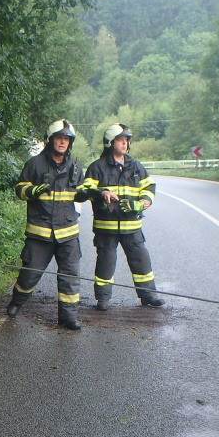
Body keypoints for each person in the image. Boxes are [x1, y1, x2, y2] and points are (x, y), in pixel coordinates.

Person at [6, 119, 86, 330]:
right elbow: (20, 189)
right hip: (40, 233)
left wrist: (88, 194)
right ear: (50, 140)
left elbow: (79, 193)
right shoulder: (34, 164)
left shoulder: (75, 166)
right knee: (30, 274)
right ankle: (17, 302)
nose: (63, 142)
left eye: (66, 139)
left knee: (70, 276)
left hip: (68, 233)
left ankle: (68, 316)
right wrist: (35, 190)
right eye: (59, 138)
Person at [78, 123, 165, 310]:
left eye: (126, 141)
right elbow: (84, 190)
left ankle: (148, 295)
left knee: (141, 262)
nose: (124, 144)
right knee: (105, 264)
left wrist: (142, 203)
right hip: (106, 228)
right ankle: (102, 299)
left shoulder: (136, 167)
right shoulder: (96, 168)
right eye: (120, 140)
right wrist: (101, 192)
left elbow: (149, 188)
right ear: (110, 142)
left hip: (132, 227)